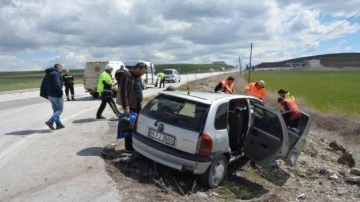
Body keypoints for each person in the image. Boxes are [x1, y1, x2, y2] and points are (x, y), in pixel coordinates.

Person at [118, 62, 147, 152]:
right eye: (142, 71)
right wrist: (126, 106)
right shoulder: (127, 75)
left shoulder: (137, 77)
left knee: (136, 126)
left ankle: (135, 145)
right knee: (129, 126)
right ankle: (128, 147)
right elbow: (124, 92)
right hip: (130, 106)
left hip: (137, 105)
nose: (143, 73)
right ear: (138, 68)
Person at [40, 64, 65, 130]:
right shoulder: (55, 74)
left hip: (50, 95)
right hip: (56, 94)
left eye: (61, 68)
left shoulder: (49, 74)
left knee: (55, 110)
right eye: (60, 68)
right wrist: (60, 92)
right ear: (56, 68)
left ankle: (58, 124)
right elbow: (57, 84)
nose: (61, 69)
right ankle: (50, 121)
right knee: (60, 110)